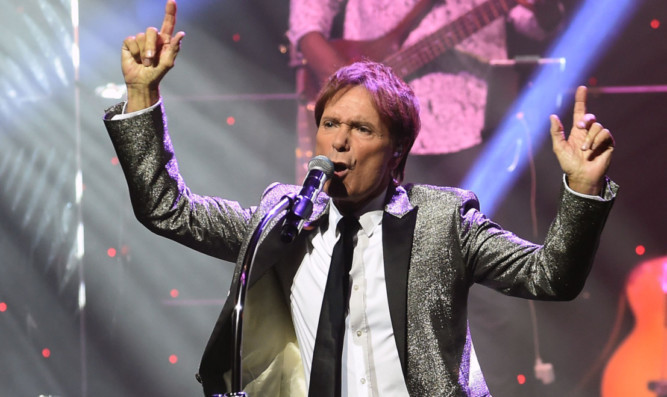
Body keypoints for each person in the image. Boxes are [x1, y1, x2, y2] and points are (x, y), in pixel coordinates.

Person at [103, 1, 617, 395]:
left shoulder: (443, 220)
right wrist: (144, 96)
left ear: (396, 151)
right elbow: (166, 209)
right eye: (330, 124)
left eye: (361, 128)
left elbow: (552, 277)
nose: (340, 141)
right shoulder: (283, 217)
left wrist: (583, 190)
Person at [288, 0, 565, 160]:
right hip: (378, 128)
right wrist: (344, 82)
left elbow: (534, 22)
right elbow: (308, 17)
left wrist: (547, 8)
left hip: (471, 126)